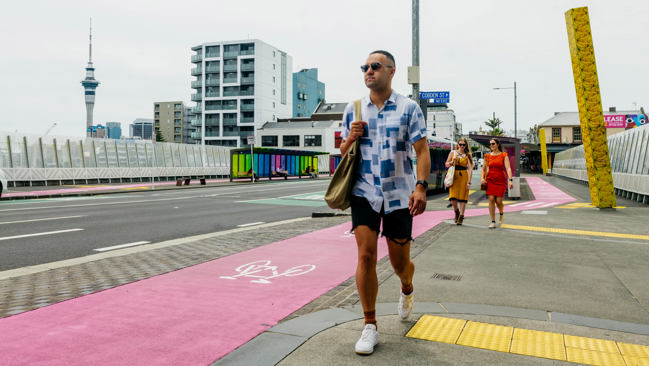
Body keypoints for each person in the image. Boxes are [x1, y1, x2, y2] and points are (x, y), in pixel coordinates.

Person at [340, 50, 430, 355]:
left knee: (399, 263)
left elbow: (422, 151)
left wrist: (420, 187)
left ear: (391, 71)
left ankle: (406, 287)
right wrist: (350, 139)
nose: (368, 71)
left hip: (399, 195)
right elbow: (341, 152)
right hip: (364, 192)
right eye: (364, 66)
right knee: (365, 256)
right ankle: (370, 325)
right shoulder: (354, 109)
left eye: (375, 66)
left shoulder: (408, 108)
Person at [480, 138, 513, 229]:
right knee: (491, 199)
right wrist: (482, 178)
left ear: (498, 144)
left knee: (498, 201)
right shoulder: (487, 156)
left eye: (493, 144)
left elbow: (508, 168)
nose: (491, 145)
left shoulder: (503, 155)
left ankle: (501, 211)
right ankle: (493, 221)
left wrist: (510, 180)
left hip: (501, 180)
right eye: (490, 144)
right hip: (490, 179)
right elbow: (483, 169)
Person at [445, 137, 473, 225]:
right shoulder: (452, 153)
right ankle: (456, 211)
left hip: (464, 176)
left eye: (463, 145)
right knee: (453, 198)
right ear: (457, 144)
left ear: (466, 145)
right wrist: (451, 163)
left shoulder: (468, 155)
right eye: (460, 144)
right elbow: (446, 164)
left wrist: (469, 182)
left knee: (463, 198)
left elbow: (470, 169)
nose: (461, 146)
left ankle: (461, 216)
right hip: (454, 176)